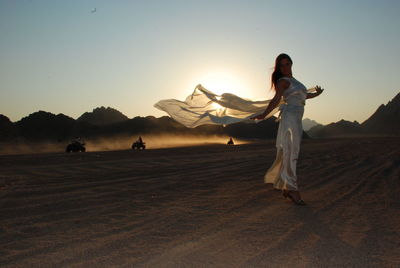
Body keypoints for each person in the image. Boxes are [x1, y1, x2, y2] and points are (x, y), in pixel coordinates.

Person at [250, 53, 324, 205]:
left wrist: (316, 94)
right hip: (290, 118)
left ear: (291, 64)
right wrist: (264, 114)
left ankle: (286, 187)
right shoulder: (282, 82)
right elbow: (276, 99)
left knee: (291, 152)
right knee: (292, 154)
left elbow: (303, 96)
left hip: (296, 118)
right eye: (281, 65)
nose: (284, 67)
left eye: (287, 64)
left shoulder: (295, 81)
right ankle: (293, 190)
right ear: (278, 68)